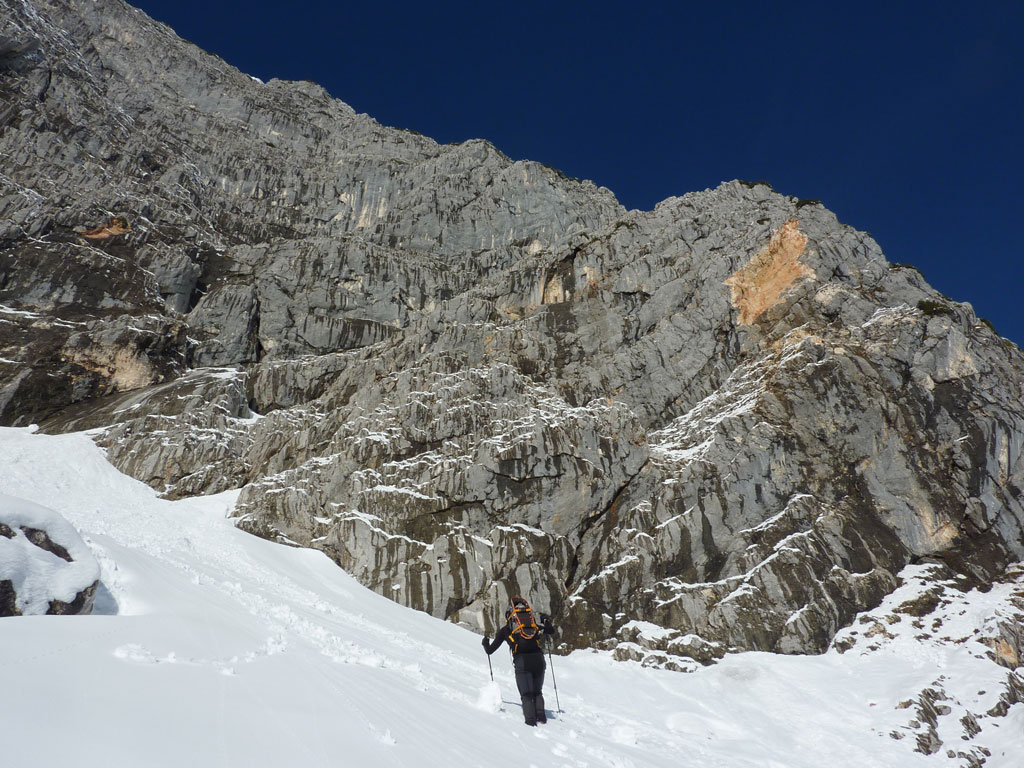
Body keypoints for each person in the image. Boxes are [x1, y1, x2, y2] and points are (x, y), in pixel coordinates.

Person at [482, 597, 556, 726]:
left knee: (526, 694)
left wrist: (485, 643)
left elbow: (490, 650)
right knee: (537, 692)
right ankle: (542, 718)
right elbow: (550, 630)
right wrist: (545, 620)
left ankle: (530, 723)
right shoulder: (533, 627)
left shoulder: (506, 630)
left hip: (523, 662)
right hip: (539, 661)